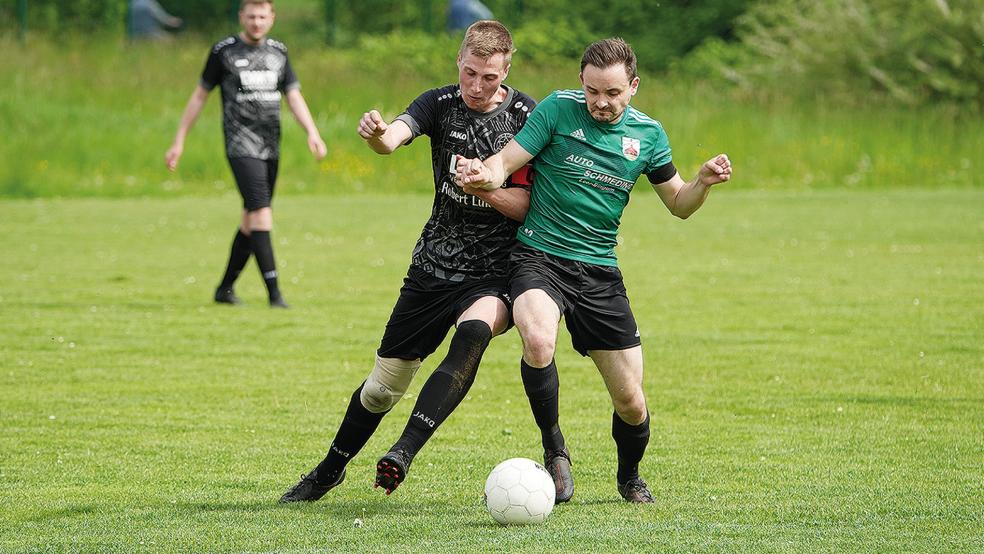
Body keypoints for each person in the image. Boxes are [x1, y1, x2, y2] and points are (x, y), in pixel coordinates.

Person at [455, 37, 732, 503]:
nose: (600, 103)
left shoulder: (649, 135)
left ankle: (629, 478)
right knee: (539, 338)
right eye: (592, 91)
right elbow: (506, 162)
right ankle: (555, 448)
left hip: (600, 272)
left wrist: (701, 182)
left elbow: (680, 205)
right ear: (581, 82)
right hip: (539, 257)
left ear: (634, 87)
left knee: (631, 400)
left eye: (612, 94)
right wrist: (485, 174)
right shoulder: (557, 110)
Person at [279, 20, 541, 502]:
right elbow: (393, 138)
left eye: (489, 77)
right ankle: (329, 469)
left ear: (507, 67)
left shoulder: (529, 115)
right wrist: (376, 134)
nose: (478, 87)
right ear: (458, 63)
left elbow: (531, 206)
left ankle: (403, 451)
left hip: (496, 270)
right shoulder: (438, 103)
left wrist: (488, 188)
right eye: (469, 73)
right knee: (382, 388)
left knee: (473, 336)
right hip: (433, 266)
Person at [165, 0, 327, 308]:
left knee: (250, 219)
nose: (256, 22)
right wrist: (179, 140)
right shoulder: (223, 51)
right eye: (251, 16)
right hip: (240, 146)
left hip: (270, 146)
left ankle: (224, 289)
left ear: (272, 18)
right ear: (241, 17)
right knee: (261, 212)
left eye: (262, 16)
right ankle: (275, 294)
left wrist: (312, 132)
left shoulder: (279, 51)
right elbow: (199, 97)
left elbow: (293, 96)